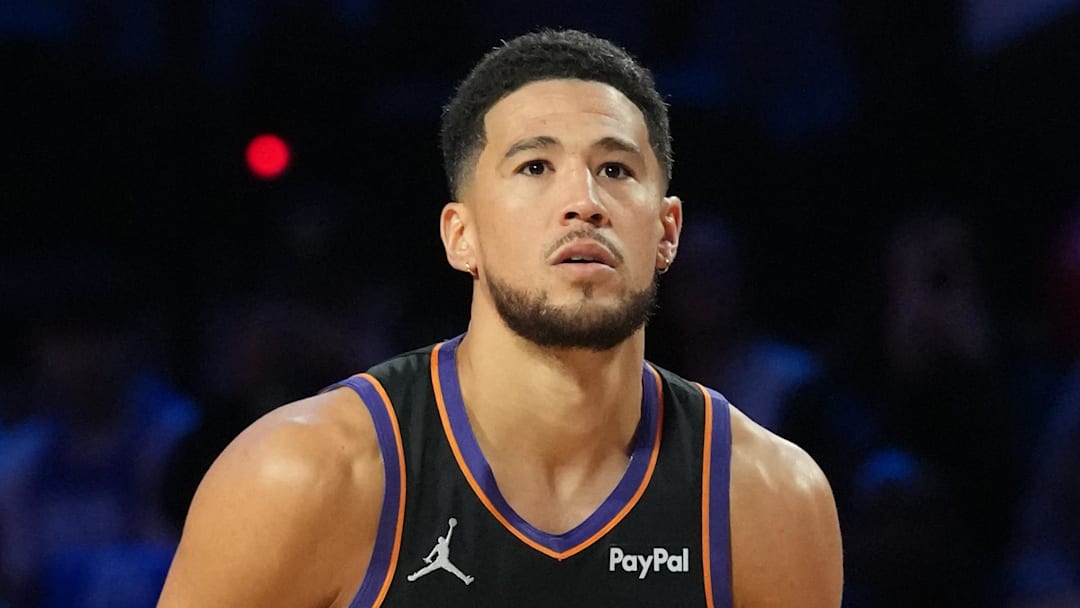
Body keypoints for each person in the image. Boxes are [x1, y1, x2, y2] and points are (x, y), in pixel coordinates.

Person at [157, 29, 842, 607]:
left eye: (616, 170)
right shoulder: (301, 476)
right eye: (536, 165)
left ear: (667, 233)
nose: (583, 201)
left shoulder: (767, 499)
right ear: (462, 236)